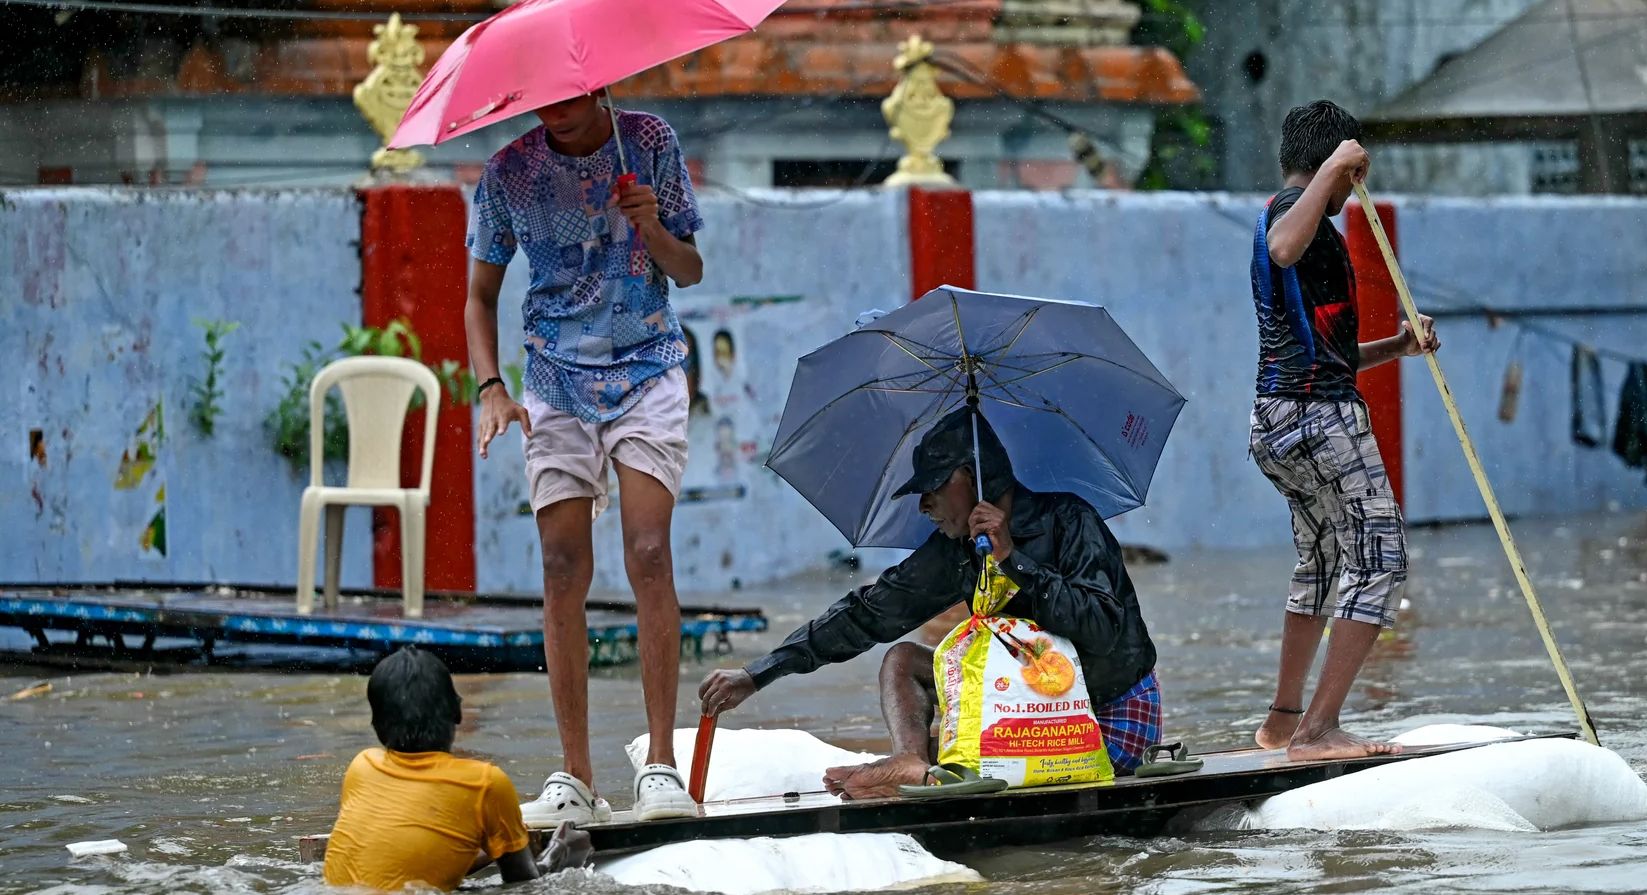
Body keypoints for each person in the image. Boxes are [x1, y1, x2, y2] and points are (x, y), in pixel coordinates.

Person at [697, 409, 1162, 799]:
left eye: (933, 488)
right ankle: (911, 761)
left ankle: (926, 765)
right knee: (901, 659)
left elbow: (1103, 629)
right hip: (1021, 713)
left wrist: (1013, 562)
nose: (924, 506)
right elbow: (866, 614)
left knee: (962, 751)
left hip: (1106, 719)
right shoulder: (956, 551)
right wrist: (759, 673)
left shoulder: (1070, 520)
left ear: (969, 478)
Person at [464, 89, 704, 825]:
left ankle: (661, 767)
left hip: (646, 366)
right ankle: (576, 776)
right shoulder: (509, 173)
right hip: (555, 381)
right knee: (562, 566)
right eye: (541, 102)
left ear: (597, 86)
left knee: (649, 550)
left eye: (568, 100)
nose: (554, 112)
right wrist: (491, 389)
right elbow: (479, 296)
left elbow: (690, 270)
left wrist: (654, 228)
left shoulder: (651, 141)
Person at [1248, 100, 1440, 761]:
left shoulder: (1308, 230)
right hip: (1317, 418)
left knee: (1324, 560)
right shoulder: (1287, 215)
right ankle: (1320, 728)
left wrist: (1396, 346)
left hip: (1278, 416)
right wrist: (1334, 169)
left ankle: (1283, 720)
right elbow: (1281, 246)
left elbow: (1326, 352)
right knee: (1380, 556)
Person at [323, 647, 592, 891]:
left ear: (376, 725)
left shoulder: (361, 766)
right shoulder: (485, 783)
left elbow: (401, 859)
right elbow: (522, 885)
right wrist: (560, 853)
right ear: (457, 711)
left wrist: (493, 846)